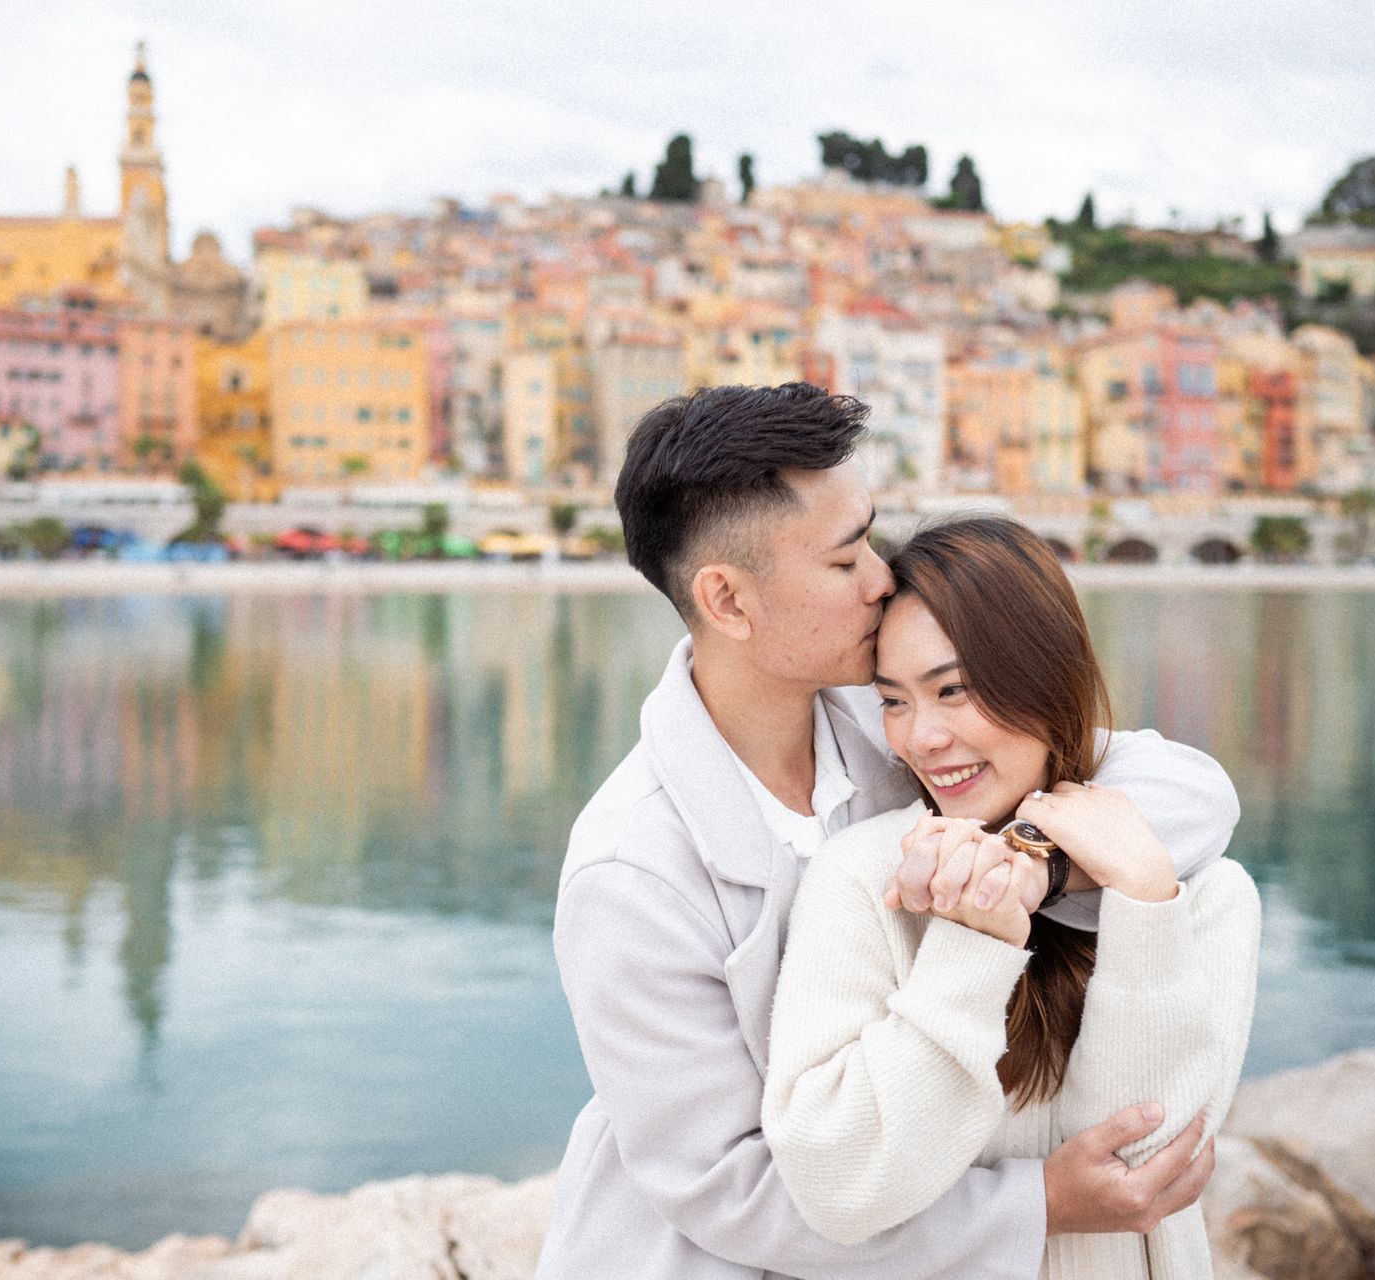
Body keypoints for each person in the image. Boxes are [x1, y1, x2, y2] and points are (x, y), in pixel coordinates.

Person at [537, 384, 1239, 1280]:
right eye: (844, 559)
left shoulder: (901, 724)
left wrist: (1031, 865)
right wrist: (1043, 1203)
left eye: (870, 535)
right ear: (728, 599)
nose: (881, 577)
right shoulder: (631, 871)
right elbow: (728, 1187)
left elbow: (1183, 789)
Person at [761, 516, 1262, 1278]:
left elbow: (1144, 1166)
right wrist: (974, 939)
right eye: (894, 701)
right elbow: (838, 1187)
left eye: (954, 689)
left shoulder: (1203, 893)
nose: (921, 738)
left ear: (1045, 674)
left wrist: (1144, 904)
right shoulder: (867, 880)